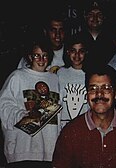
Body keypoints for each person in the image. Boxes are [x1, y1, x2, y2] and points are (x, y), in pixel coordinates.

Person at [52, 65, 116, 168]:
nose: (99, 94)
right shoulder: (70, 132)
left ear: (115, 94)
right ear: (87, 95)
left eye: (106, 88)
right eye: (93, 89)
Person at [0, 37, 61, 168]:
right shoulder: (17, 76)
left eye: (45, 56)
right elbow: (4, 105)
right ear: (30, 57)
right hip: (22, 150)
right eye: (37, 55)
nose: (41, 60)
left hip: (49, 151)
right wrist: (23, 116)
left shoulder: (55, 79)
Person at [57, 35, 89, 128]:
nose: (77, 55)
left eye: (81, 51)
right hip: (63, 124)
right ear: (67, 52)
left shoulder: (90, 74)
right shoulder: (60, 73)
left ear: (86, 52)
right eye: (73, 51)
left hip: (84, 125)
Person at [76, 0, 115, 71]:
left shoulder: (112, 40)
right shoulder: (76, 39)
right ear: (85, 16)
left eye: (99, 14)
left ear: (104, 17)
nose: (95, 18)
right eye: (91, 14)